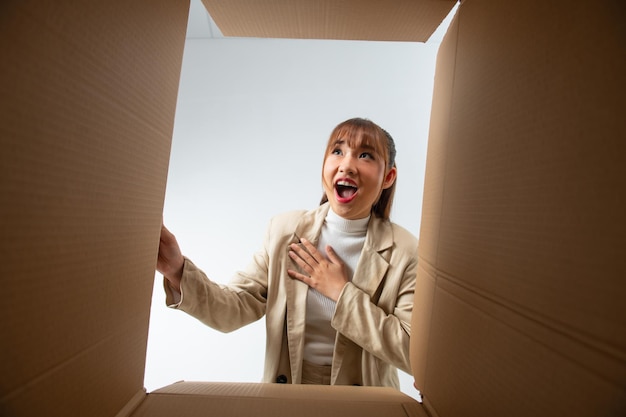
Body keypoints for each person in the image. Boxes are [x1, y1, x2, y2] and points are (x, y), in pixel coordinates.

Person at [157, 117, 418, 388]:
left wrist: (342, 294)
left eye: (365, 155)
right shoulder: (284, 232)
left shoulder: (406, 251)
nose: (347, 165)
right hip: (287, 396)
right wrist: (177, 271)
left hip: (366, 403)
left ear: (388, 177)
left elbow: (412, 351)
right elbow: (233, 310)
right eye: (337, 151)